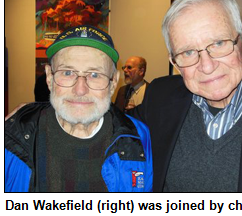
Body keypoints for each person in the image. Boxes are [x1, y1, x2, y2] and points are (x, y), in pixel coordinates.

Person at [132, 0, 242, 192]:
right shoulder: (160, 96)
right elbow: (111, 129)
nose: (207, 66)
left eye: (219, 43)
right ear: (175, 63)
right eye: (187, 52)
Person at [5, 25, 153, 192]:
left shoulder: (138, 138)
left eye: (95, 74)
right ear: (49, 77)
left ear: (113, 82)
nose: (80, 90)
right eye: (68, 73)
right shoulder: (11, 136)